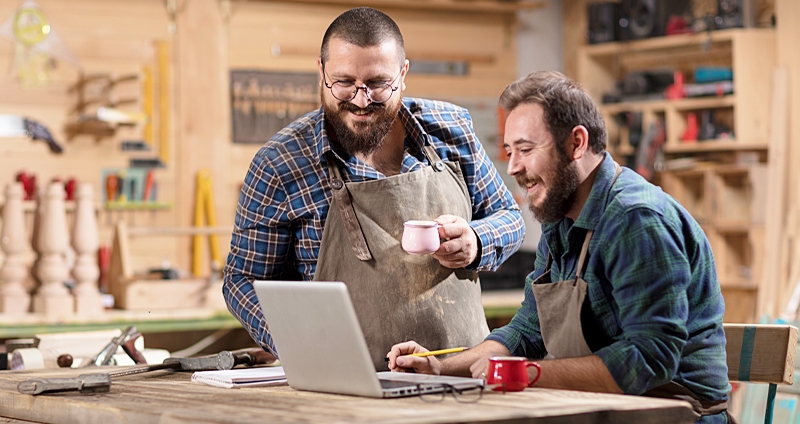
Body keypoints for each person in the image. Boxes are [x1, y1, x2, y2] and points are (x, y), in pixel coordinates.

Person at [388, 71, 732, 423]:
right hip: (604, 410)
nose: (514, 167)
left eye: (525, 149)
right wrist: (439, 369)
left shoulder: (637, 219)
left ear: (576, 143)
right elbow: (527, 329)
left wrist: (523, 373)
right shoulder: (560, 220)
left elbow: (649, 358)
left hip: (678, 415)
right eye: (509, 152)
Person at [223, 7, 524, 370]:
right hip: (343, 382)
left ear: (403, 74)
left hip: (458, 373)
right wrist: (297, 340)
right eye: (344, 82)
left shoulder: (451, 130)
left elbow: (510, 218)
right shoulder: (280, 164)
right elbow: (243, 280)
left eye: (378, 83)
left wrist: (477, 241)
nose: (362, 100)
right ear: (321, 73)